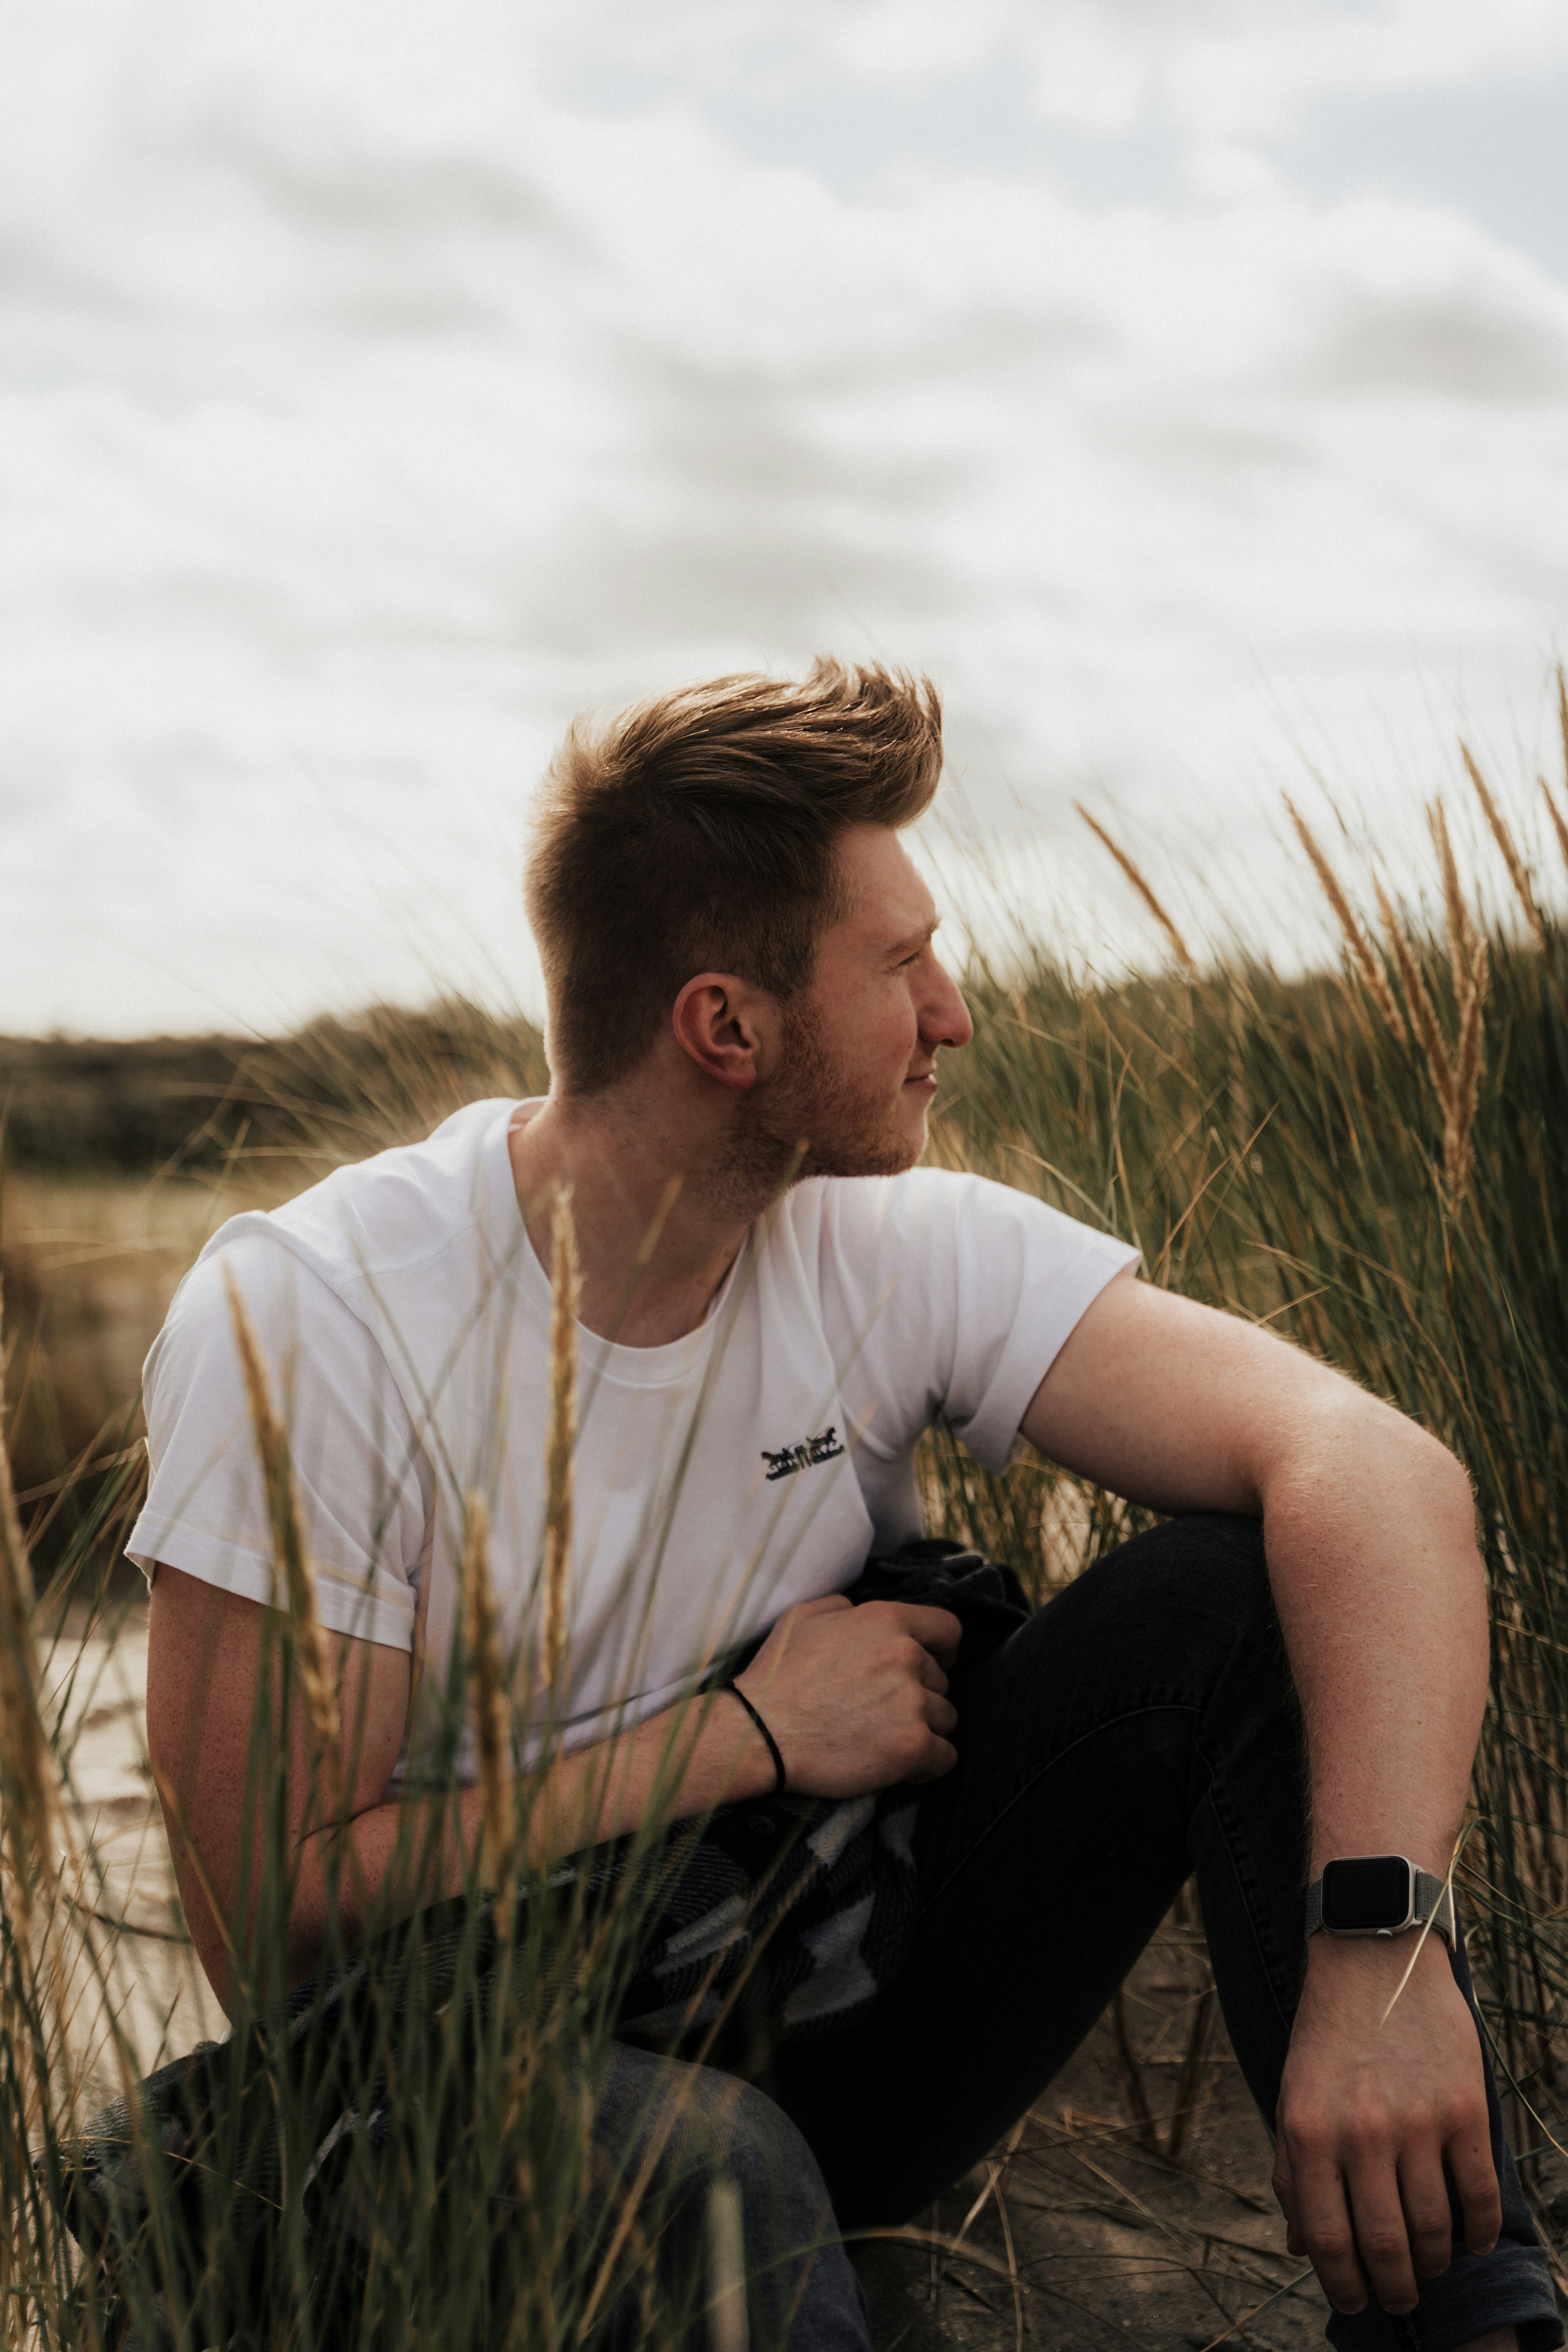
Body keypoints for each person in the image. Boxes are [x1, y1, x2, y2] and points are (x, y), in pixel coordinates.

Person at [138, 659, 1558, 2352]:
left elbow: (1374, 1470)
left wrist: (1375, 1966)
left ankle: (1467, 2329)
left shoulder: (888, 1246)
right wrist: (736, 1736)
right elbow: (268, 1930)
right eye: (901, 966)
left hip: (818, 1993)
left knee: (1225, 1604)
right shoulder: (314, 1318)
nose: (953, 1012)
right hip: (440, 2103)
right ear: (726, 1026)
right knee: (712, 2167)